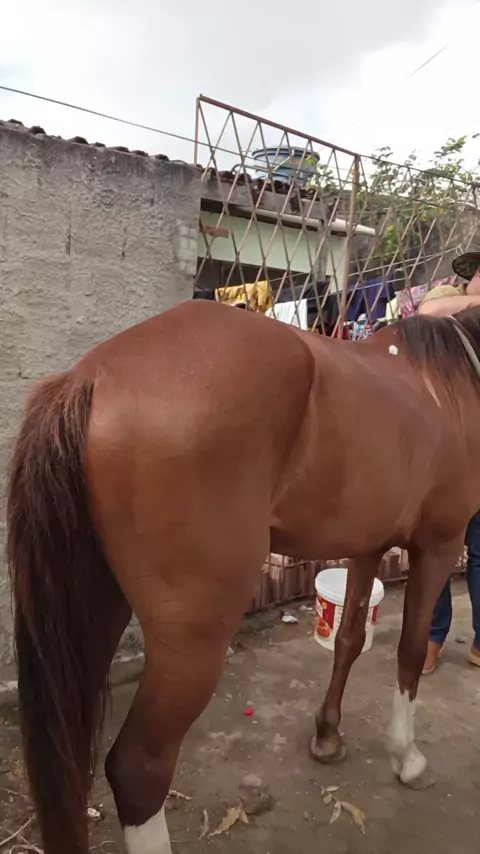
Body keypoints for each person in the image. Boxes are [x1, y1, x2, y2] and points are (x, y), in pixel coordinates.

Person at [418, 250, 480, 673]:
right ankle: (432, 638)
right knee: (434, 543)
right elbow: (427, 313)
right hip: (443, 443)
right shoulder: (447, 296)